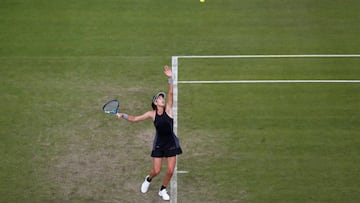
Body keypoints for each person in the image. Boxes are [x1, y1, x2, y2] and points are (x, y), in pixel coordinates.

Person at [116, 65, 182, 201]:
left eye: (162, 98)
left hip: (171, 143)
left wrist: (170, 78)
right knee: (156, 170)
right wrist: (122, 115)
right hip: (159, 144)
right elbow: (134, 119)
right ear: (155, 102)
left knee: (170, 170)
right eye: (159, 98)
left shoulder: (169, 109)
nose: (162, 99)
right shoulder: (151, 114)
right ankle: (148, 179)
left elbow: (170, 93)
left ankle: (162, 190)